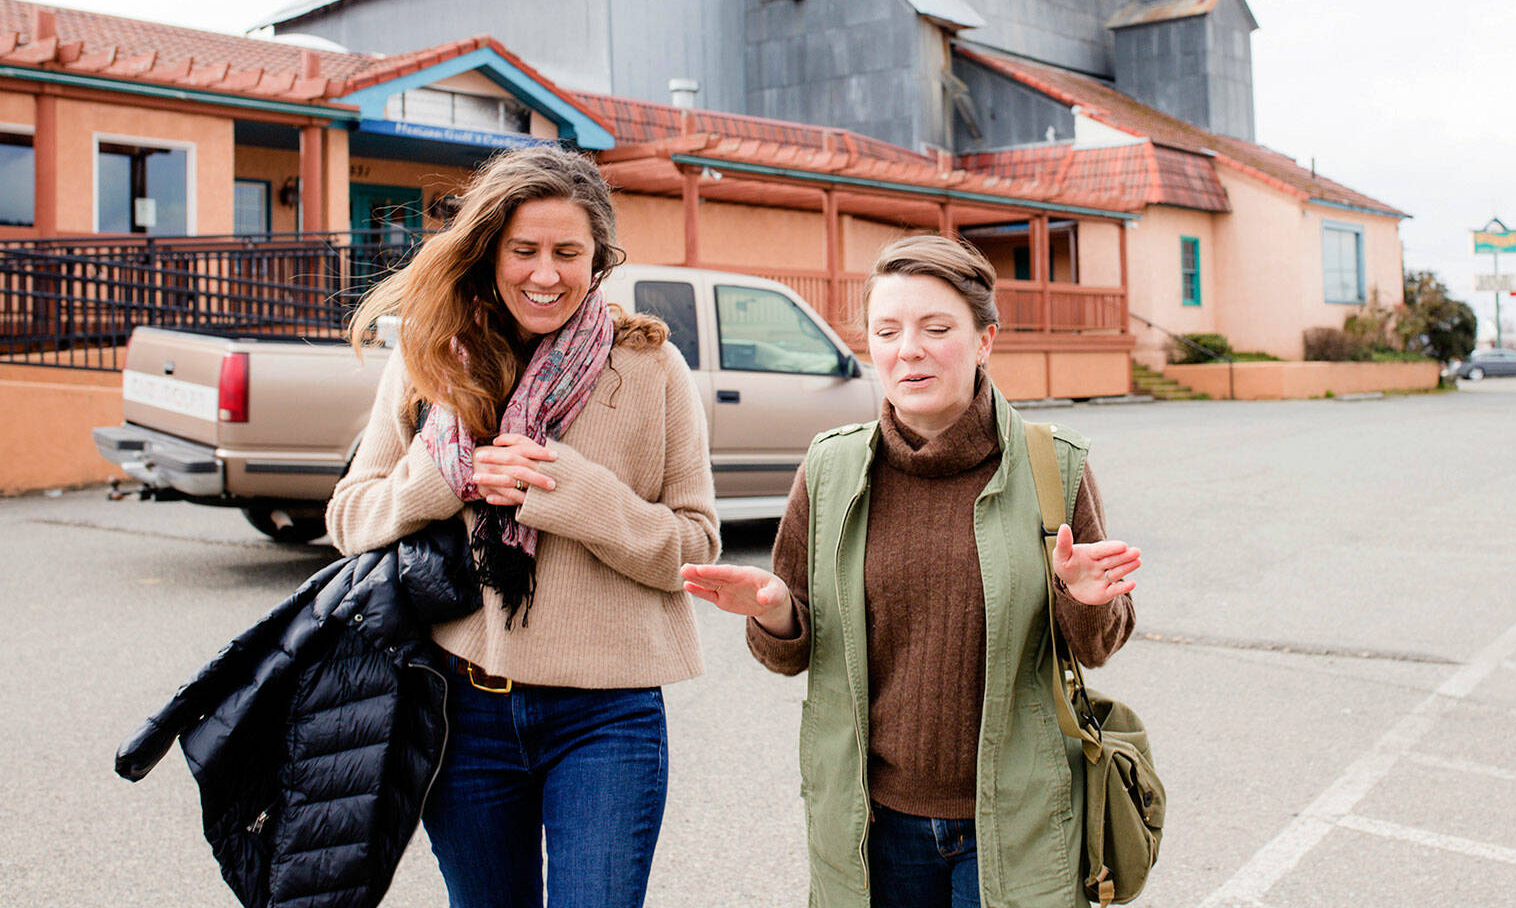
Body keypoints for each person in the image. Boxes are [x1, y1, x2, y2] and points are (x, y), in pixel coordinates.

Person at [682, 234, 1140, 908]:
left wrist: (1085, 598)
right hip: (874, 824)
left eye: (936, 328)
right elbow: (791, 650)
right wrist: (776, 610)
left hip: (1015, 821)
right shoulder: (831, 468)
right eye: (887, 330)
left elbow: (1096, 648)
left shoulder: (1053, 466)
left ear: (985, 340)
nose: (909, 349)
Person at [328, 145, 718, 908]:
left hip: (607, 717)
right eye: (525, 251)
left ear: (599, 259)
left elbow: (695, 548)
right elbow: (350, 517)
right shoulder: (432, 360)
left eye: (568, 252)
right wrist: (450, 477)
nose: (546, 274)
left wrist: (577, 494)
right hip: (461, 708)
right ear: (489, 251)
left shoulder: (651, 368)